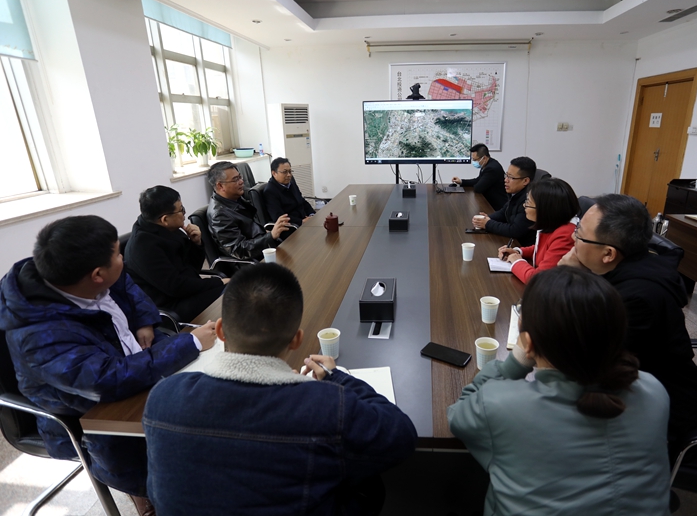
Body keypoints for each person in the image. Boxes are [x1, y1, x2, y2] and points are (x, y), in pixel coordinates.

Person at [143, 263, 417, 516]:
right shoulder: (325, 406)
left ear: (221, 330)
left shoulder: (162, 398)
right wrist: (337, 378)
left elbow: (157, 492)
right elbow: (401, 435)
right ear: (297, 340)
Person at [0, 215, 217, 516]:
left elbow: (126, 286)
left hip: (126, 363)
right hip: (83, 414)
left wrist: (143, 320)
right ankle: (147, 492)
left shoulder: (74, 273)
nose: (123, 258)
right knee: (167, 436)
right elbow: (106, 380)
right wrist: (189, 343)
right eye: (117, 254)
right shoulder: (40, 336)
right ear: (97, 275)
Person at [448, 267, 671, 515]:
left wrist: (517, 361)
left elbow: (458, 415)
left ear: (528, 341)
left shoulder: (501, 405)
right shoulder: (654, 390)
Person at [559, 194, 697, 443]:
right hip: (624, 387)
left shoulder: (637, 299)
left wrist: (565, 280)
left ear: (608, 253)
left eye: (579, 235)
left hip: (656, 416)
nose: (573, 238)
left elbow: (581, 356)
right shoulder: (630, 265)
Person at [125, 185, 228, 322]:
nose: (184, 214)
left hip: (187, 292)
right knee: (233, 293)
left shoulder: (169, 229)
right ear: (165, 219)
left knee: (239, 288)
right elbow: (176, 286)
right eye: (181, 210)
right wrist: (217, 282)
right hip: (172, 306)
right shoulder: (143, 246)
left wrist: (196, 243)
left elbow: (192, 268)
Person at [498, 178, 578, 283]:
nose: (524, 206)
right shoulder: (554, 223)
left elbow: (538, 280)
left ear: (545, 208)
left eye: (528, 202)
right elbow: (543, 248)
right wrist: (518, 251)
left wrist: (517, 261)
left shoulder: (566, 234)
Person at [207, 161, 291, 260]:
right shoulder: (219, 215)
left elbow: (250, 229)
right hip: (252, 262)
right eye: (235, 179)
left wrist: (268, 234)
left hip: (262, 250)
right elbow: (239, 250)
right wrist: (270, 236)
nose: (241, 182)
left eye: (240, 177)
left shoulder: (235, 199)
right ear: (220, 186)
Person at [472, 156, 537, 246]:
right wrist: (488, 218)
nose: (506, 180)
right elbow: (504, 211)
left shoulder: (529, 201)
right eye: (506, 175)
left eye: (511, 177)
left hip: (521, 246)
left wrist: (488, 224)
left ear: (525, 181)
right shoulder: (516, 193)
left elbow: (515, 230)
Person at [260, 157, 315, 230]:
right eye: (285, 172)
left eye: (290, 171)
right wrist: (301, 222)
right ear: (274, 173)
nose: (289, 175)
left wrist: (312, 215)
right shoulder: (270, 191)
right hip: (291, 227)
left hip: (304, 221)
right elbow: (279, 217)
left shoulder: (291, 182)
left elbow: (302, 201)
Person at [452, 143, 507, 211]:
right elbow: (478, 180)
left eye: (475, 160)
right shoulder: (487, 164)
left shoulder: (492, 168)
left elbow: (478, 188)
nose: (474, 162)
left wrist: (478, 184)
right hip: (488, 201)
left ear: (484, 158)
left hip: (495, 206)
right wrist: (461, 181)